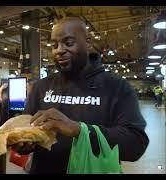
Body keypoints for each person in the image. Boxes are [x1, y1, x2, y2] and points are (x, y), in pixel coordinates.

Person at [11, 17, 149, 174]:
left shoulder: (116, 87)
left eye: (68, 43)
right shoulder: (41, 87)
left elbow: (136, 145)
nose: (59, 50)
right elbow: (27, 134)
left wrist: (79, 130)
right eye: (54, 45)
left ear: (88, 42)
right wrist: (24, 143)